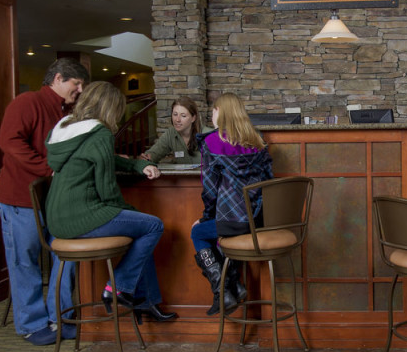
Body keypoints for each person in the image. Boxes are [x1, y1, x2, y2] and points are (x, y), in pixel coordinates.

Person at [45, 81, 177, 324]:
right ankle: (117, 287)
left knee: (140, 229)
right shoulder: (100, 133)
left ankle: (147, 301)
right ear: (110, 108)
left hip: (56, 220)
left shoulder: (66, 129)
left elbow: (109, 160)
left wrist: (138, 164)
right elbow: (107, 191)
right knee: (152, 225)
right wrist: (128, 211)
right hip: (82, 216)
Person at [0, 57, 89, 345]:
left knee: (66, 255)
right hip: (18, 200)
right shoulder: (27, 102)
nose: (80, 89)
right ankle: (32, 325)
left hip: (53, 200)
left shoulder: (66, 111)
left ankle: (58, 317)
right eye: (77, 83)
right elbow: (10, 142)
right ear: (58, 79)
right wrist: (48, 168)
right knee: (25, 262)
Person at [191, 93, 273, 315]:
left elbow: (209, 189)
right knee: (222, 234)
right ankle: (233, 285)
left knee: (198, 233)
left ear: (221, 111)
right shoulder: (258, 140)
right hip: (258, 220)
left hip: (233, 221)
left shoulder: (211, 142)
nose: (212, 114)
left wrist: (207, 217)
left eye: (214, 110)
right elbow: (269, 179)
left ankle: (222, 290)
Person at [138, 97, 209, 164]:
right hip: (183, 177)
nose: (177, 119)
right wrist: (146, 158)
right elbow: (154, 154)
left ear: (193, 118)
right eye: (175, 114)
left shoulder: (208, 135)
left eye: (183, 115)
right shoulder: (171, 133)